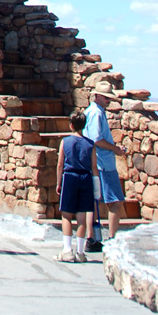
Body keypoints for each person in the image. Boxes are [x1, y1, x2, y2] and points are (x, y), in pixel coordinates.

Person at [84, 82, 128, 249]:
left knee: (94, 202)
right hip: (103, 164)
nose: (108, 101)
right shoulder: (96, 114)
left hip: (95, 163)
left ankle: (91, 238)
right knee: (115, 201)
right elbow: (97, 139)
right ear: (97, 96)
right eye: (106, 97)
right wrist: (115, 149)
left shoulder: (90, 112)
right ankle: (111, 239)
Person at [55, 109, 100, 263]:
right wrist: (97, 187)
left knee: (66, 215)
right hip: (86, 177)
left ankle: (67, 250)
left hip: (70, 177)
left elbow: (60, 164)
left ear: (71, 125)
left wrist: (58, 183)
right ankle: (80, 252)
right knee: (82, 217)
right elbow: (94, 167)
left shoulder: (65, 141)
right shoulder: (90, 144)